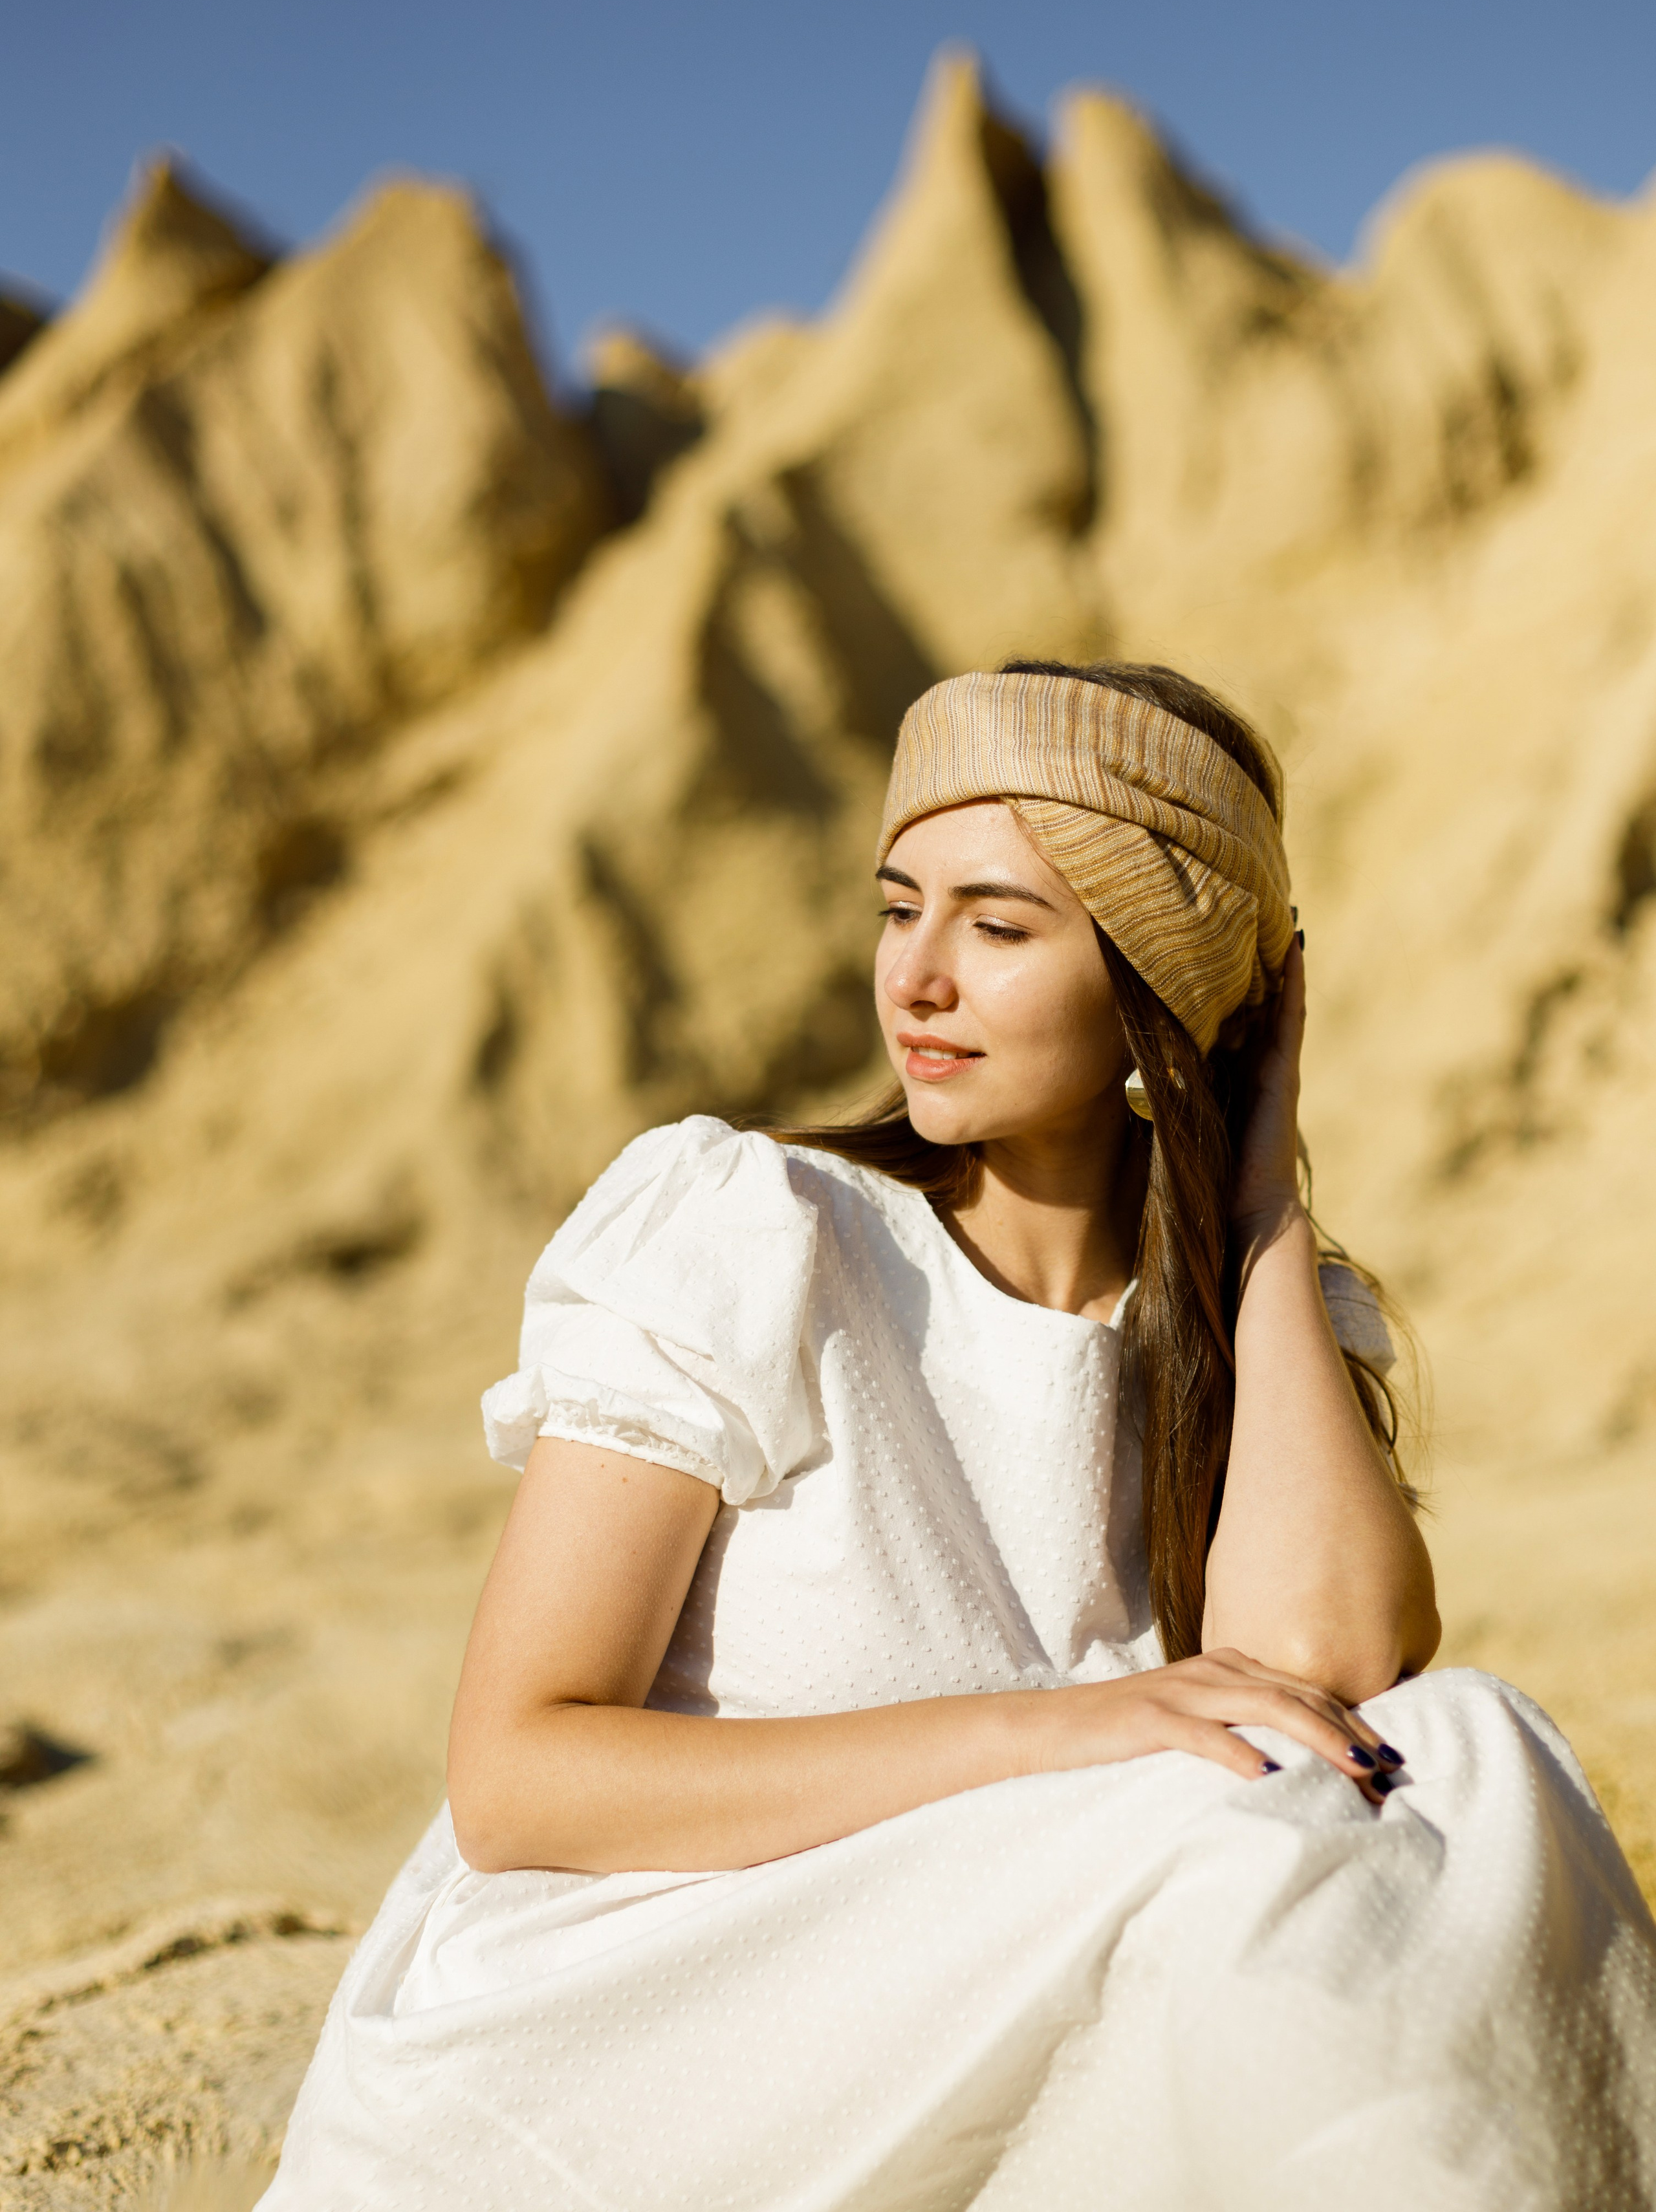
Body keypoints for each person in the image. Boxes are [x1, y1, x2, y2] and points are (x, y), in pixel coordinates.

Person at [261, 661, 1656, 2211]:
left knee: (1459, 1745)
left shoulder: (1228, 1311)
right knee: (1225, 1820)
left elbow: (1325, 1664)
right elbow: (517, 1778)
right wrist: (1061, 1734)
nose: (914, 977)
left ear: (1160, 980)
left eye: (995, 927)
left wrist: (1254, 1211)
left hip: (1006, 1963)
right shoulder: (752, 1225)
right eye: (896, 905)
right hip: (662, 2001)